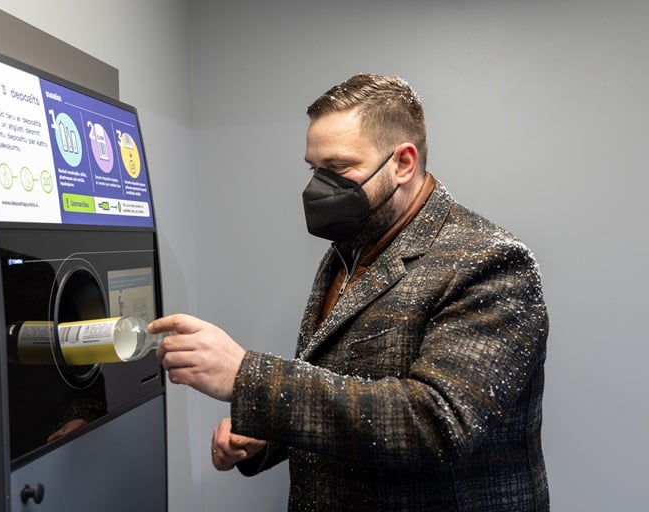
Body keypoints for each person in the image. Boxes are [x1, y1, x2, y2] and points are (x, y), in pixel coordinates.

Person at [150, 73, 549, 511]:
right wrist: (272, 430)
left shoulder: (488, 262)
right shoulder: (353, 246)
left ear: (403, 163)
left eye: (338, 168)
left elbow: (438, 423)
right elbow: (346, 386)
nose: (318, 187)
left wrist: (249, 378)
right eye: (314, 169)